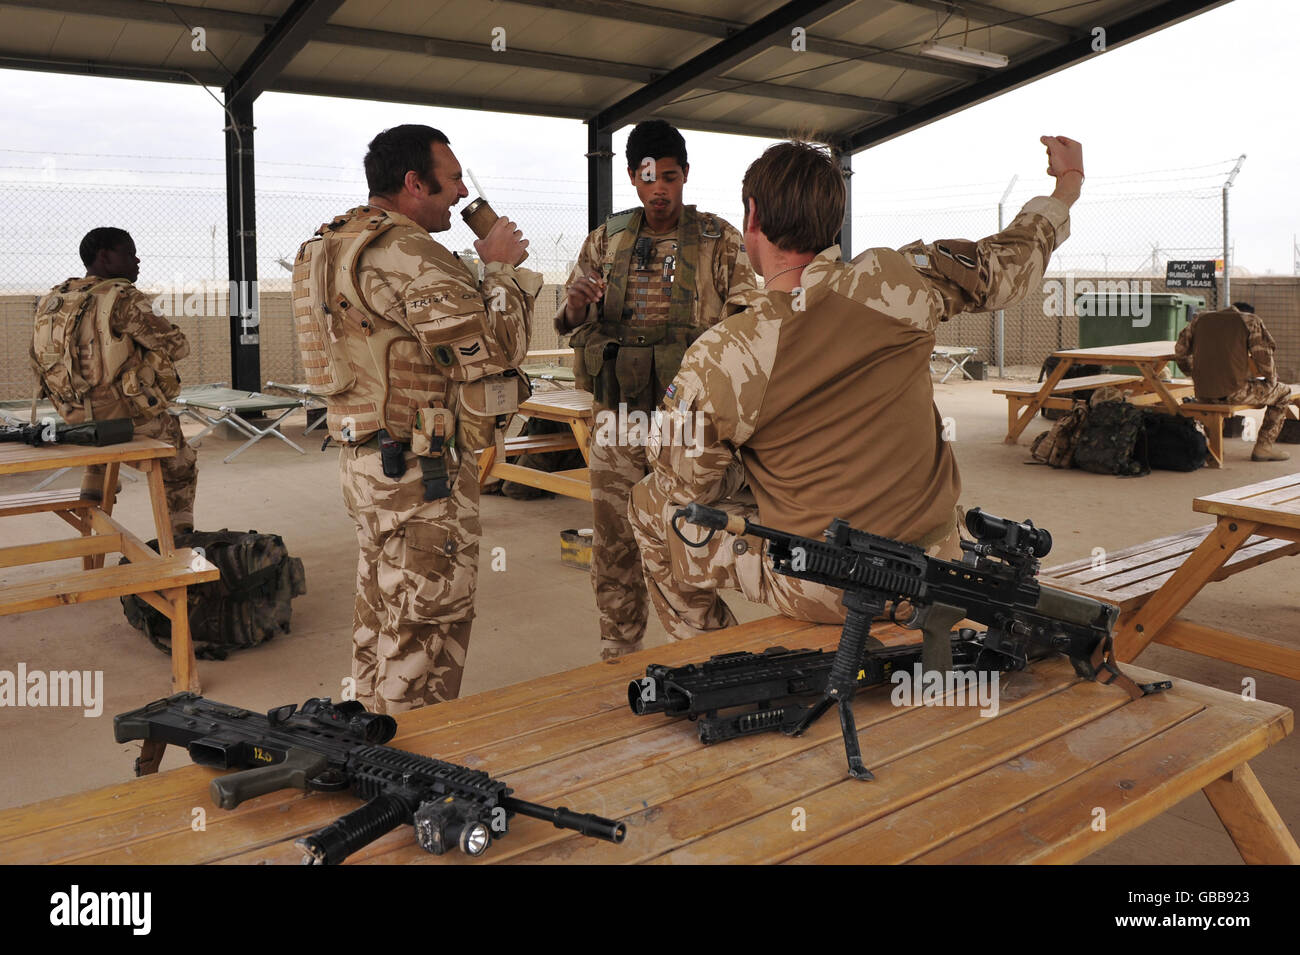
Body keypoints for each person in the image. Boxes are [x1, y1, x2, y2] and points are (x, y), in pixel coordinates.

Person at [629, 136, 1084, 639]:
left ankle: (707, 660)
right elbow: (1008, 264)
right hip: (938, 559)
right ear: (832, 220)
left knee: (652, 505)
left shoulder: (727, 353)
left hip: (832, 583)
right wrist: (1067, 186)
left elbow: (688, 486)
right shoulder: (901, 282)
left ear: (752, 217)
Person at [291, 124, 540, 713]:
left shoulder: (327, 245)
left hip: (367, 462)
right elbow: (495, 354)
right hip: (421, 475)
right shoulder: (407, 252)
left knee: (380, 616)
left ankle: (366, 739)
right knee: (425, 635)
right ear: (413, 182)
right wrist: (501, 270)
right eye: (452, 180)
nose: (460, 194)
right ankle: (413, 774)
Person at [557, 119, 756, 659]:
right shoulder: (605, 240)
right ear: (631, 177)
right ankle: (618, 648)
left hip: (689, 427)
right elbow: (571, 319)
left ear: (685, 175)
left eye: (670, 176)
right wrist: (577, 300)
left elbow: (748, 322)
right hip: (618, 421)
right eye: (649, 177)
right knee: (615, 542)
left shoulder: (719, 240)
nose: (659, 189)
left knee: (688, 537)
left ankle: (695, 651)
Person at [31, 228, 196, 535]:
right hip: (124, 420)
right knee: (182, 461)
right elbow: (178, 346)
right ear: (105, 257)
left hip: (72, 417)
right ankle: (180, 541)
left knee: (100, 439)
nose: (137, 259)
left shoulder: (55, 298)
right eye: (129, 252)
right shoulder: (122, 298)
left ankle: (91, 509)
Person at [1174, 302, 1294, 461]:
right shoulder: (1250, 320)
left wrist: (1192, 373)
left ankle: (1216, 447)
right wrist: (1271, 379)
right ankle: (1263, 448)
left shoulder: (1199, 320)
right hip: (1234, 392)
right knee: (1284, 393)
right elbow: (1263, 356)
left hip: (1202, 392)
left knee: (1213, 403)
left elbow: (1180, 352)